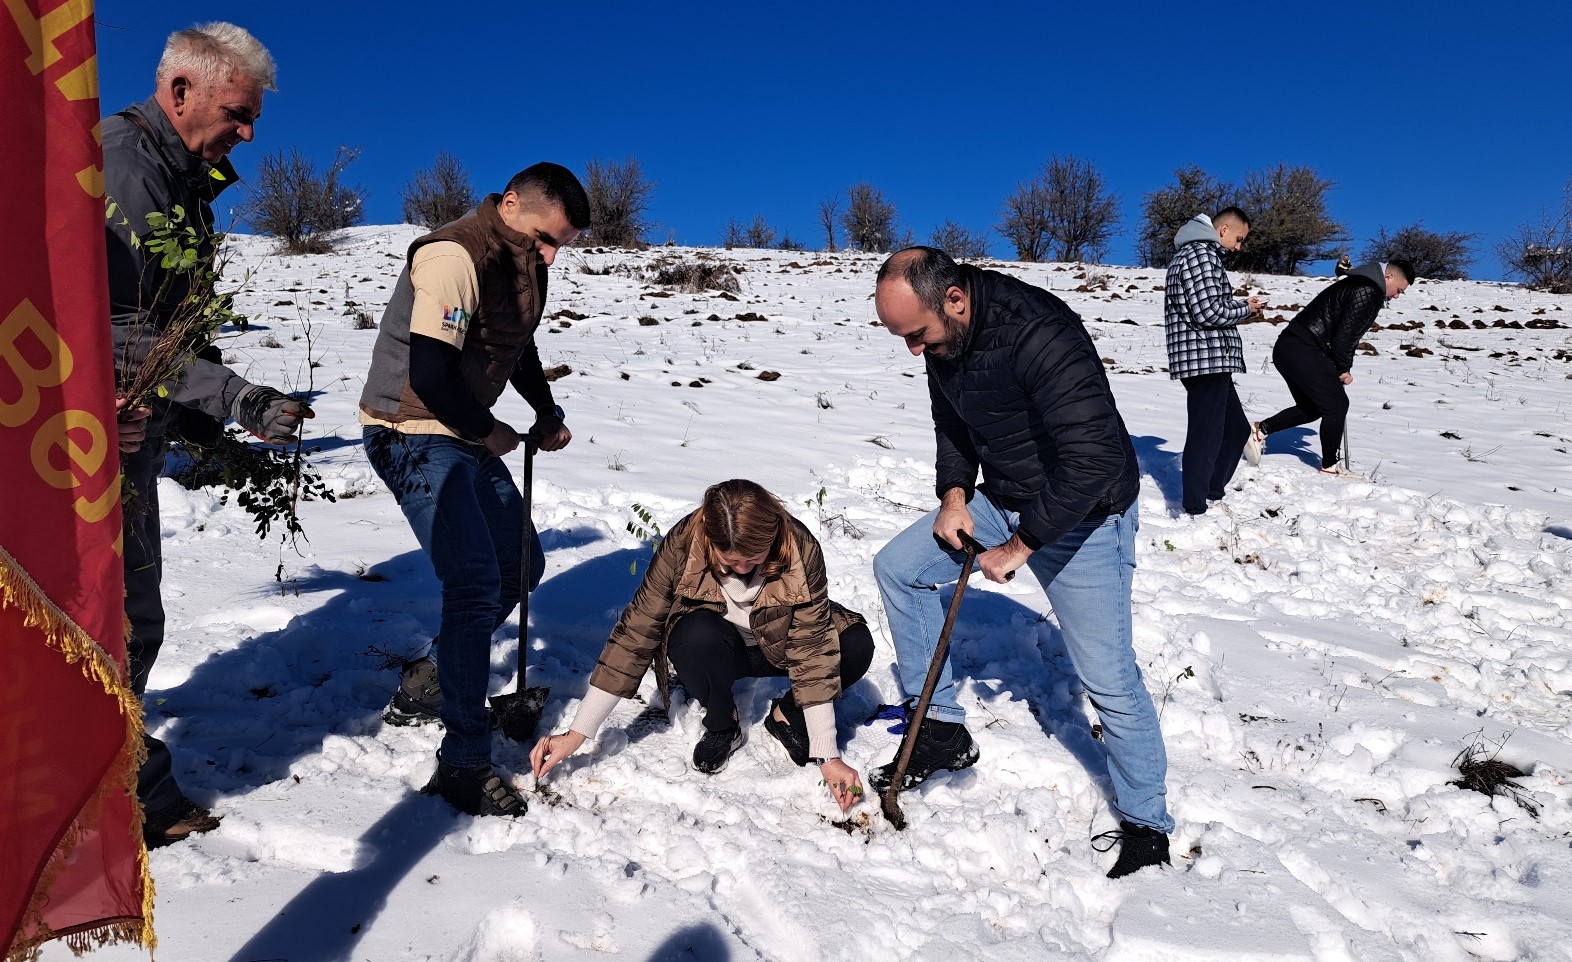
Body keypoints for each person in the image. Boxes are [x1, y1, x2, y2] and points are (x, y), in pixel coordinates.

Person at [870, 247, 1172, 878]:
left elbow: (1090, 459)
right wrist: (955, 497)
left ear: (954, 299)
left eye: (916, 335)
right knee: (900, 568)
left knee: (1108, 677)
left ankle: (1148, 826)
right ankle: (943, 730)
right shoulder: (945, 341)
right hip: (1006, 495)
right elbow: (951, 428)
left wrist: (1022, 546)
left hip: (1086, 511)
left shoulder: (1041, 332)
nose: (913, 351)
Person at [104, 22, 313, 849]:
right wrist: (237, 399)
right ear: (181, 90)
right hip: (86, 445)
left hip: (131, 430)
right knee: (117, 619)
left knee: (130, 615)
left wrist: (204, 421)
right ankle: (123, 793)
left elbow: (169, 322)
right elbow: (123, 331)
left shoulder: (180, 177)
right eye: (239, 111)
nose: (250, 133)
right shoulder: (126, 167)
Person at [359, 163, 590, 816]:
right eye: (544, 238)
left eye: (560, 246)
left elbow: (516, 347)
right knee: (472, 583)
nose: (548, 256)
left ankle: (434, 677)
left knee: (522, 564)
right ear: (510, 204)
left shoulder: (526, 265)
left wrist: (545, 412)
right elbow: (431, 371)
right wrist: (486, 429)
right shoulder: (451, 255)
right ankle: (462, 760)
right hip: (407, 429)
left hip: (460, 430)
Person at [530, 480, 874, 813]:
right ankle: (723, 722)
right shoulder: (683, 546)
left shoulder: (799, 548)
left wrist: (828, 756)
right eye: (730, 561)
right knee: (694, 633)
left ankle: (787, 717)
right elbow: (636, 633)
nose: (741, 570)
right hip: (716, 650)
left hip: (781, 646)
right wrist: (578, 733)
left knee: (854, 643)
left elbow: (812, 648)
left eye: (753, 559)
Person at [1247, 259, 1414, 475]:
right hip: (1302, 347)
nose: (1397, 295)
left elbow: (1347, 334)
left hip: (1293, 347)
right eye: (1399, 290)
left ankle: (1260, 430)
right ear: (1389, 277)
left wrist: (1343, 366)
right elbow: (1344, 337)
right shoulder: (1368, 290)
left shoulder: (1362, 285)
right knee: (1336, 404)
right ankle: (1330, 466)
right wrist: (1343, 368)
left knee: (1315, 407)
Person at [1164, 208, 1263, 516]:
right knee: (1205, 434)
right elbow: (1208, 312)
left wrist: (1241, 309)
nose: (1238, 246)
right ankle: (1194, 507)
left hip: (1209, 357)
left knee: (1234, 430)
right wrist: (1244, 309)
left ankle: (1210, 494)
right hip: (1203, 357)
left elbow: (1208, 307)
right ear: (1222, 230)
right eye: (1238, 238)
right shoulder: (1200, 256)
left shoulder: (1196, 255)